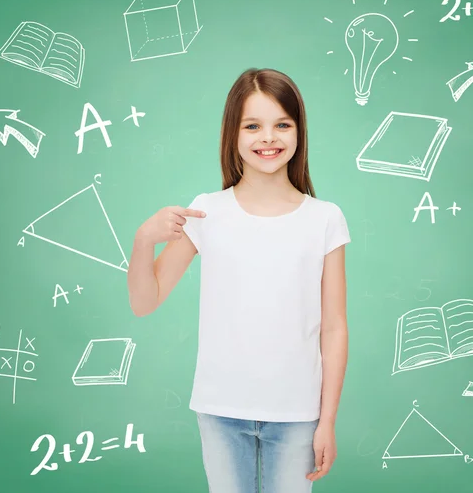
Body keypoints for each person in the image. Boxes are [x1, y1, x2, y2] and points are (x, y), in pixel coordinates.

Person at [127, 67, 351, 493]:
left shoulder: (325, 218)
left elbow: (335, 327)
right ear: (233, 133)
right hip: (220, 408)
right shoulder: (208, 212)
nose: (268, 137)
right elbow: (145, 300)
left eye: (282, 124)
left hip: (297, 411)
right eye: (253, 126)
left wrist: (328, 421)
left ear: (299, 131)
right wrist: (143, 240)